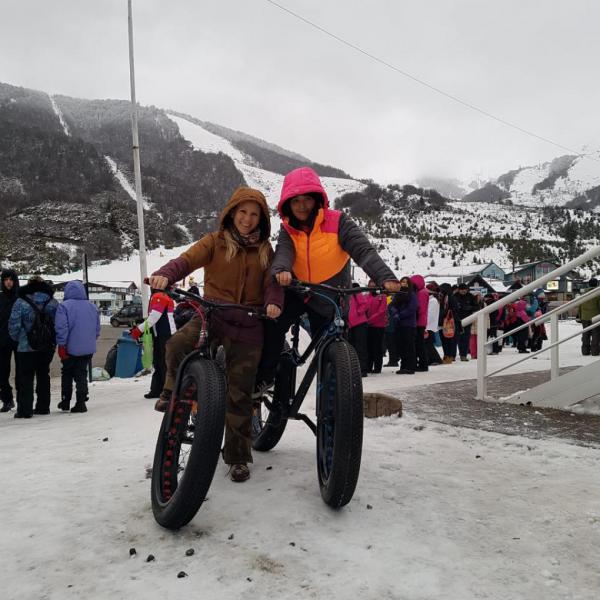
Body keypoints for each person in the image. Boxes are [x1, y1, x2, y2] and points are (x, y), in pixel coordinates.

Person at [148, 187, 283, 483]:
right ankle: (171, 392)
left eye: (254, 214)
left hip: (248, 322)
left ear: (261, 219)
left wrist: (274, 302)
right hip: (213, 314)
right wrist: (166, 274)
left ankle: (237, 457)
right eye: (242, 212)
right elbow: (185, 261)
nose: (247, 219)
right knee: (177, 344)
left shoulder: (265, 250)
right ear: (232, 213)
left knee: (240, 393)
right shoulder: (214, 242)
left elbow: (273, 283)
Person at [255, 167, 400, 388]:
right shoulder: (288, 229)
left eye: (307, 199)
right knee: (272, 325)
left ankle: (332, 399)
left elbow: (363, 250)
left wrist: (384, 276)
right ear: (287, 205)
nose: (301, 206)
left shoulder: (339, 221)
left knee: (331, 353)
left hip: (329, 296)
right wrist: (282, 270)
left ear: (317, 199)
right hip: (298, 290)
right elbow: (284, 252)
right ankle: (265, 377)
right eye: (295, 201)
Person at [8, 276, 58, 418]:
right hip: (47, 346)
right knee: (44, 375)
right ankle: (43, 407)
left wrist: (20, 339)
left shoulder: (21, 301)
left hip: (26, 347)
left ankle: (25, 410)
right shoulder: (52, 302)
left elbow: (14, 325)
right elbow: (58, 324)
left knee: (26, 377)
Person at [54, 280, 101, 413]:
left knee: (67, 373)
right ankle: (81, 402)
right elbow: (97, 329)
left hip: (70, 348)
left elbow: (61, 328)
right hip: (88, 348)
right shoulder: (92, 307)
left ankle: (65, 401)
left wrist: (61, 345)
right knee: (81, 373)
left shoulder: (64, 307)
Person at [130, 290, 176, 398]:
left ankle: (166, 391)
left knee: (163, 364)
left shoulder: (160, 296)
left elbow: (153, 318)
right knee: (159, 363)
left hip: (165, 335)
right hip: (161, 335)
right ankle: (158, 390)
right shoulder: (161, 295)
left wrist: (138, 330)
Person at [0, 269, 19, 412]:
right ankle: (7, 399)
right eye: (5, 279)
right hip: (3, 340)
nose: (8, 282)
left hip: (19, 340)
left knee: (21, 372)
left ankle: (23, 401)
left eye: (11, 279)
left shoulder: (21, 297)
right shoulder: (0, 298)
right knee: (2, 372)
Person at [390, 276, 418, 374]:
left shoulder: (412, 295)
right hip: (399, 324)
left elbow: (412, 309)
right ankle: (403, 366)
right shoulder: (398, 294)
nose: (404, 284)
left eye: (406, 282)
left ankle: (410, 367)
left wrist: (400, 315)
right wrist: (394, 312)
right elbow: (392, 306)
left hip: (409, 324)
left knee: (409, 346)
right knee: (401, 346)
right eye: (402, 282)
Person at [347, 283, 370, 377]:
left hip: (360, 323)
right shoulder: (343, 293)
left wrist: (358, 312)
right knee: (352, 347)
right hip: (350, 325)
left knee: (361, 347)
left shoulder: (355, 292)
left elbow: (365, 304)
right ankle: (354, 369)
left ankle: (363, 369)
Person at [366, 279, 387, 373]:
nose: (372, 287)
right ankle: (369, 366)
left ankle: (378, 367)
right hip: (368, 325)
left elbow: (381, 311)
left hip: (378, 325)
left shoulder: (382, 296)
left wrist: (369, 320)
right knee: (369, 347)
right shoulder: (367, 296)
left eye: (373, 285)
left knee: (377, 347)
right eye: (370, 286)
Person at [454, 283, 478, 361]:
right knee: (457, 338)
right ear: (459, 290)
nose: (463, 291)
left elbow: (477, 307)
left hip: (467, 320)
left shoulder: (471, 296)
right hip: (457, 320)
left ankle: (463, 355)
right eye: (461, 289)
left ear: (467, 289)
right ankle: (454, 355)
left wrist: (469, 308)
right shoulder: (455, 296)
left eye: (464, 289)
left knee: (466, 338)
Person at [411, 274, 430, 371]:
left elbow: (421, 309)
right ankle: (422, 364)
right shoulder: (422, 291)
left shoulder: (422, 293)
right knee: (419, 344)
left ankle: (423, 365)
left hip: (419, 322)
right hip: (421, 321)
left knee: (419, 344)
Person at [578, 277, 600, 356]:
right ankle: (595, 351)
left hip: (584, 317)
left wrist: (580, 316)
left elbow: (580, 306)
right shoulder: (598, 293)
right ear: (597, 284)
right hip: (596, 317)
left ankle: (585, 351)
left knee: (586, 333)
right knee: (596, 334)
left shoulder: (584, 294)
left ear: (589, 284)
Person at [438, 283, 458, 363]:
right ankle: (447, 356)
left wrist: (443, 313)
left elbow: (452, 310)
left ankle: (448, 356)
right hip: (444, 321)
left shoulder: (450, 298)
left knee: (448, 339)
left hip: (448, 322)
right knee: (446, 340)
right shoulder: (444, 297)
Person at [425, 282, 442, 366]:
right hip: (430, 325)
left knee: (428, 344)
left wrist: (425, 324)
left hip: (429, 326)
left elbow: (430, 315)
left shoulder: (433, 301)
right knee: (428, 343)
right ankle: (431, 359)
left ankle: (436, 359)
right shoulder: (432, 300)